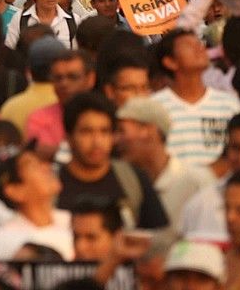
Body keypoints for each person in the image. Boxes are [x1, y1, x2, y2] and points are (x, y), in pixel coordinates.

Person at [56, 93, 169, 229]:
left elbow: (159, 235)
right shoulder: (52, 185)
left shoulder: (133, 178)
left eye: (104, 132)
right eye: (86, 132)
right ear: (69, 137)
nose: (97, 142)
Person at [152, 29, 240, 167]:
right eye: (189, 46)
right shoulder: (154, 107)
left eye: (199, 44)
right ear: (170, 62)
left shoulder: (230, 104)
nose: (200, 49)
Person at [116, 96, 215, 224]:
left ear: (148, 131)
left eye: (121, 131)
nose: (115, 140)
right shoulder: (122, 182)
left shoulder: (196, 180)